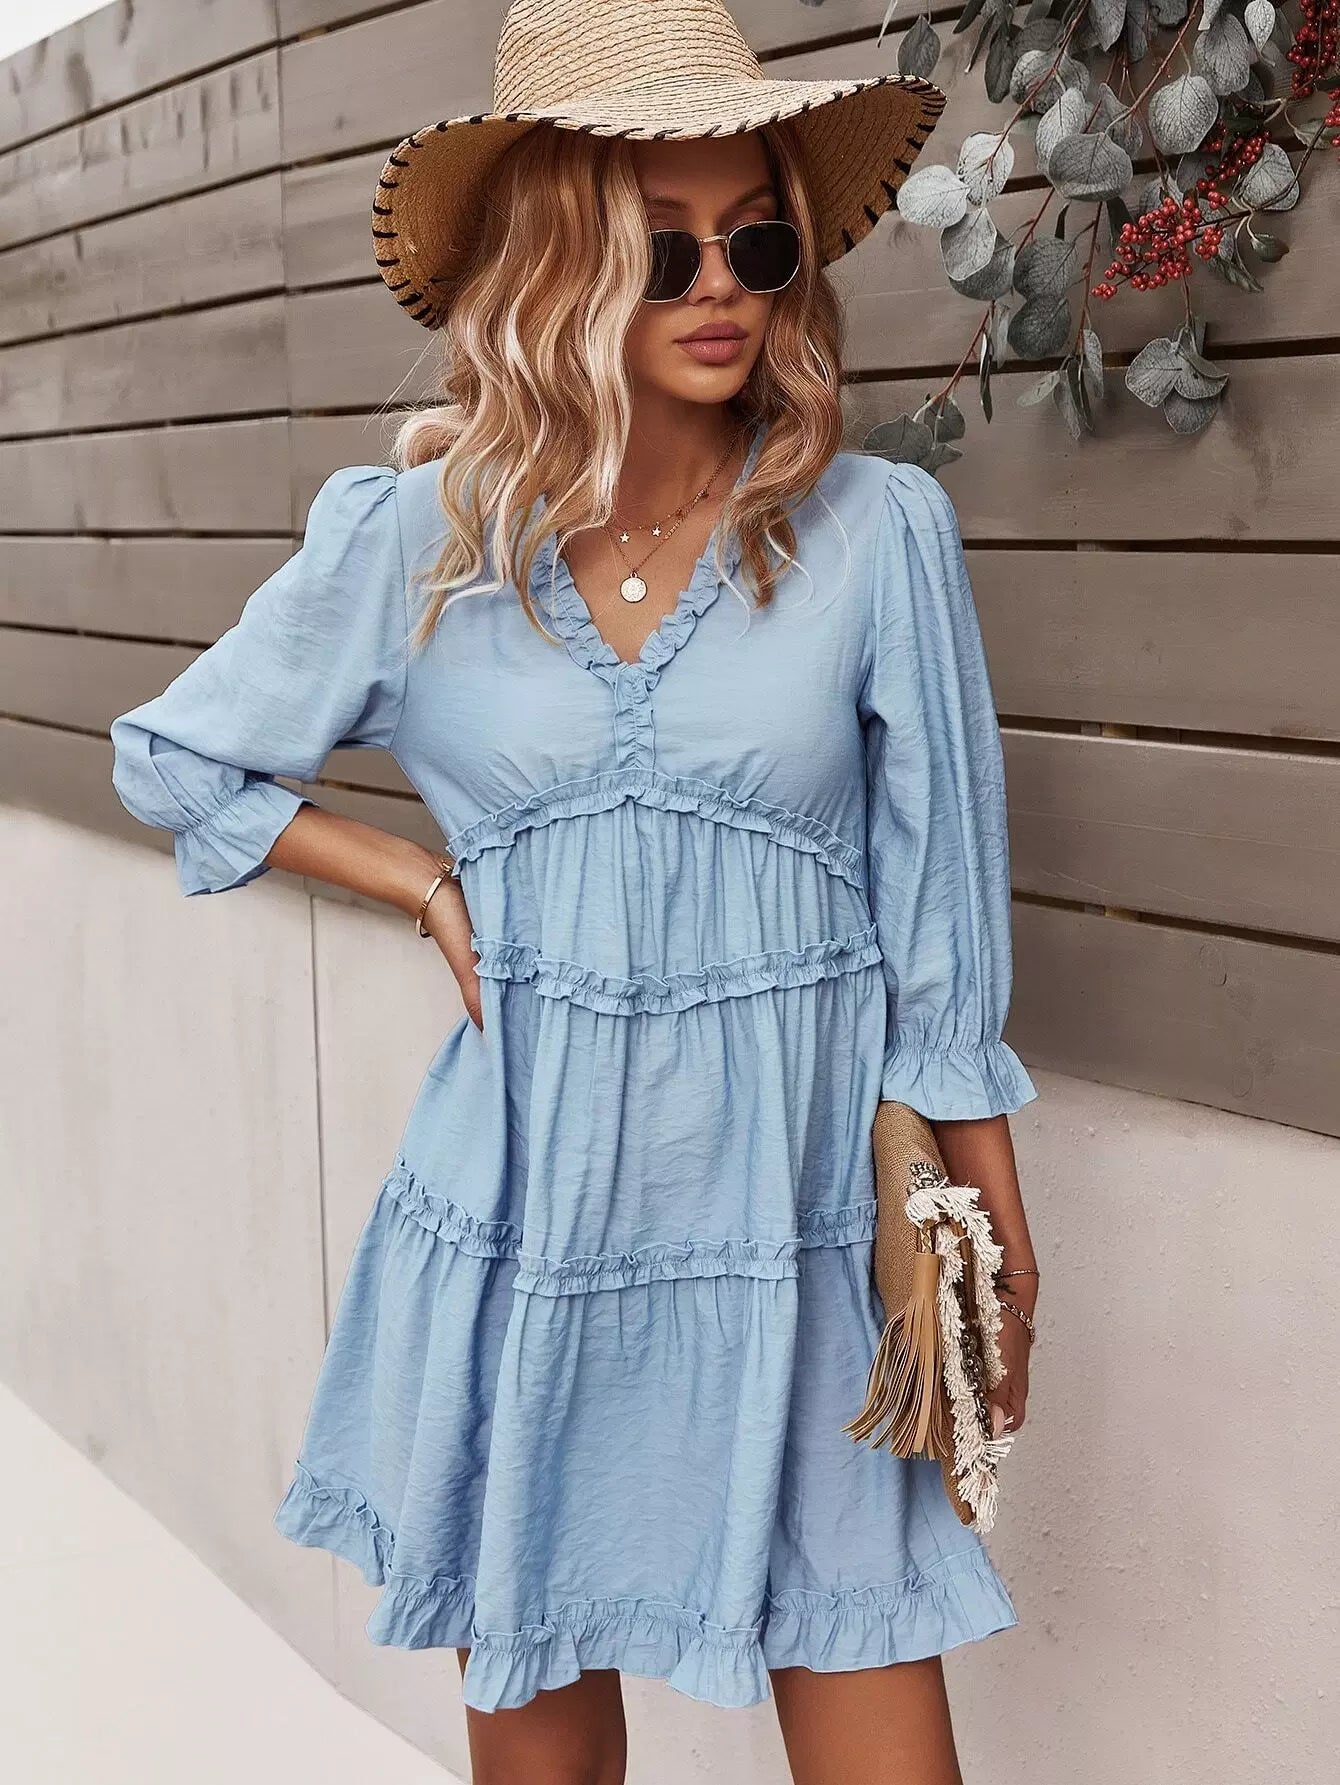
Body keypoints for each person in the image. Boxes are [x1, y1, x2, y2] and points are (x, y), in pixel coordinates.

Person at [108, 3, 1041, 1780]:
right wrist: (413, 879)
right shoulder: (419, 540)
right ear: (556, 264)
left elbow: (942, 929)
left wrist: (990, 1229)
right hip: (527, 1206)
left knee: (876, 1698)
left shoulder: (872, 535)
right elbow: (176, 758)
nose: (722, 286)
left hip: (799, 1220)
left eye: (758, 243)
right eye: (662, 248)